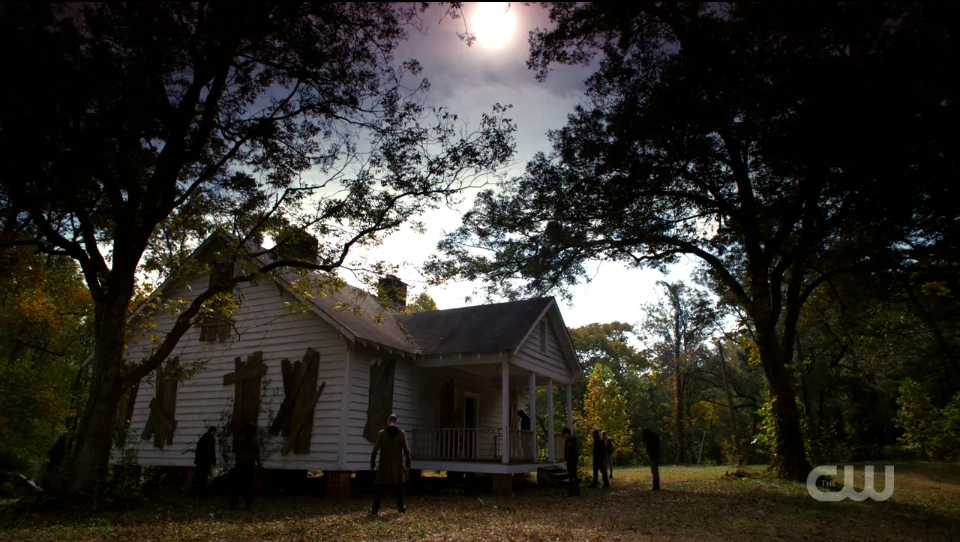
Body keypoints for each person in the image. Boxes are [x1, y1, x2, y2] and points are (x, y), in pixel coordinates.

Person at [370, 413, 411, 515]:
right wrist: (408, 463)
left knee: (379, 489)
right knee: (399, 488)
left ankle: (375, 510)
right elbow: (406, 450)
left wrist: (373, 464)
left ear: (387, 422)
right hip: (397, 466)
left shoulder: (382, 433)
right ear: (396, 422)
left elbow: (375, 450)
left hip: (384, 465)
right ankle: (401, 508)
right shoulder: (401, 433)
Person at [231, 423, 261, 510]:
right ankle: (247, 505)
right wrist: (258, 464)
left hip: (240, 462)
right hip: (249, 463)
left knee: (237, 484)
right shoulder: (254, 440)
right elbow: (257, 453)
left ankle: (234, 504)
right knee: (248, 484)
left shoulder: (240, 439)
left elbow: (236, 451)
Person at [192, 426, 217, 498]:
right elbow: (212, 451)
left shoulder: (202, 438)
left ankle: (193, 492)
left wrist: (197, 460)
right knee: (203, 477)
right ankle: (201, 493)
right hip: (206, 461)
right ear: (213, 431)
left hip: (200, 461)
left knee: (197, 476)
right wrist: (213, 461)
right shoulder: (211, 439)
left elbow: (198, 450)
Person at [562, 427, 580, 496]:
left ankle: (572, 491)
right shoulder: (573, 438)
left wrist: (566, 459)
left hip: (571, 459)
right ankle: (576, 491)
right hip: (574, 459)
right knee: (574, 474)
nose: (564, 436)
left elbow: (569, 450)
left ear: (566, 433)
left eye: (564, 434)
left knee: (571, 475)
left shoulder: (569, 439)